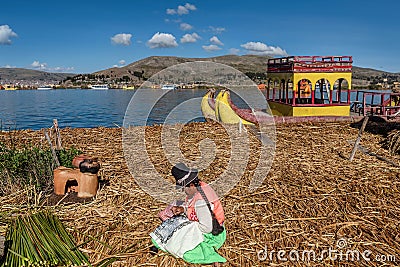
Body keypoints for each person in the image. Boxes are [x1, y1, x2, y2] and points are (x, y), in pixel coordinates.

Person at [151, 163, 226, 266]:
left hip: (212, 233)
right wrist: (184, 210)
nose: (183, 191)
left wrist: (188, 225)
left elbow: (207, 228)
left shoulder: (200, 202)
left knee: (178, 240)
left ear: (191, 185)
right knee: (174, 206)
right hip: (208, 221)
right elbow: (194, 208)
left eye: (184, 188)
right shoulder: (200, 186)